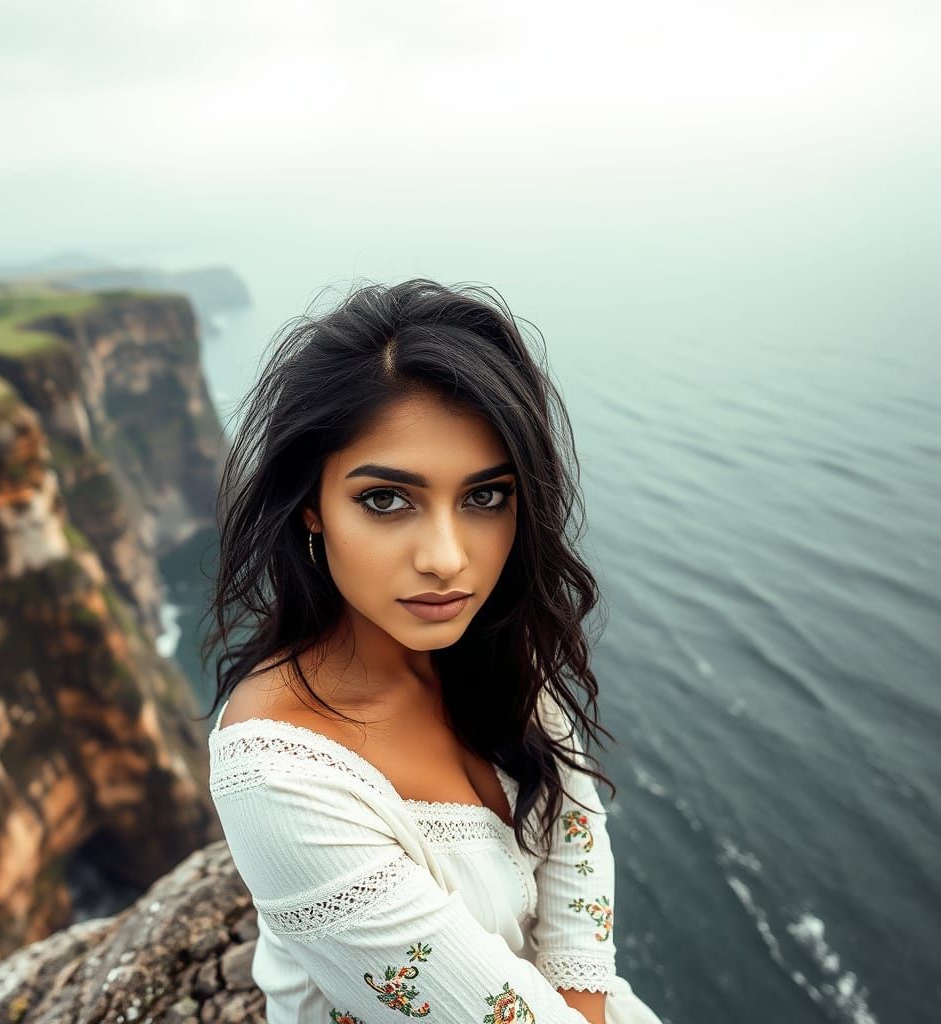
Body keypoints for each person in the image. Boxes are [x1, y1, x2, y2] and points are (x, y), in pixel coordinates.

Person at [202, 278, 663, 1024]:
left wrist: (585, 1004)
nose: (448, 559)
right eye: (386, 499)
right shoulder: (277, 775)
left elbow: (578, 835)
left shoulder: (488, 643)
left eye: (485, 497)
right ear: (311, 506)